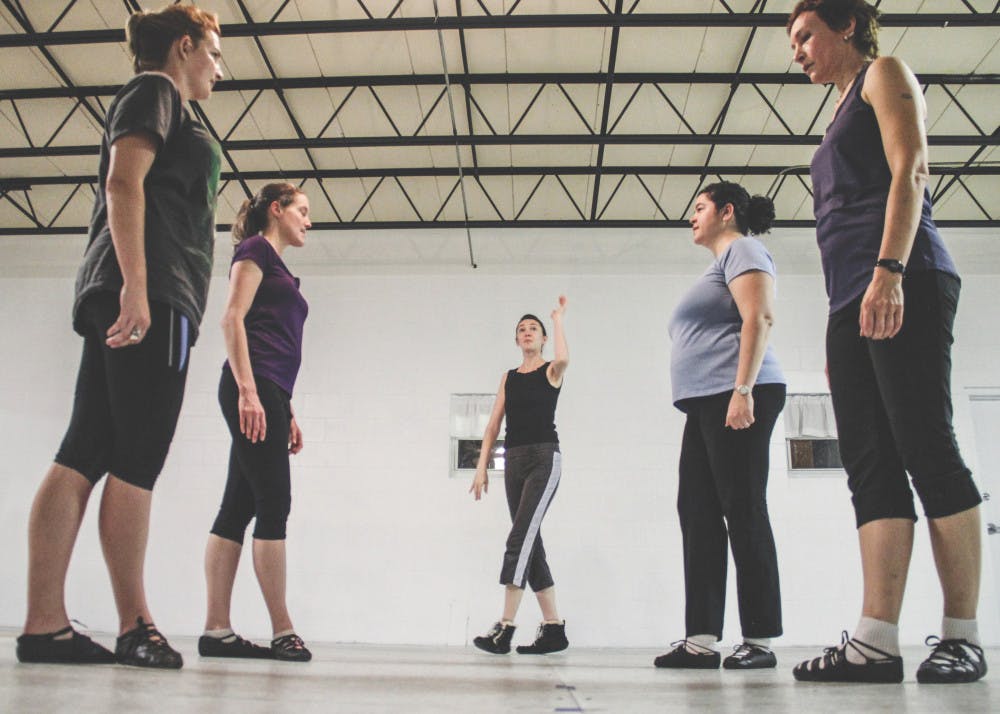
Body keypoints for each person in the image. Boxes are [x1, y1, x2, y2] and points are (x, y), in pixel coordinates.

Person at [15, 4, 223, 669]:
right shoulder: (157, 91)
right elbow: (122, 181)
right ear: (185, 47)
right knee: (138, 458)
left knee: (85, 450)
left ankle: (44, 626)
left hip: (139, 287)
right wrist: (137, 287)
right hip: (151, 292)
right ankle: (136, 624)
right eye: (214, 53)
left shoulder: (164, 100)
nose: (219, 67)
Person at [787, 0, 986, 684]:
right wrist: (842, 322)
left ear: (846, 26)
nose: (797, 50)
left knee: (926, 445)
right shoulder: (837, 111)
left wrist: (890, 272)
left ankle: (963, 634)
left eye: (805, 33)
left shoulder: (883, 73)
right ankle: (875, 641)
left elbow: (912, 168)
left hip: (906, 276)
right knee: (869, 466)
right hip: (853, 299)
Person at [654, 182, 786, 671]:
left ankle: (760, 638)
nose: (692, 216)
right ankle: (702, 638)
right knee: (697, 511)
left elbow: (760, 316)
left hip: (738, 395)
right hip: (706, 402)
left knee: (743, 507)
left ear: (727, 212)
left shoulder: (745, 249)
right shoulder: (717, 266)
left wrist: (743, 391)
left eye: (700, 207)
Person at [200, 183, 313, 662]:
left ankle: (217, 631)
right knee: (274, 502)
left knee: (237, 504)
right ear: (277, 209)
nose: (309, 220)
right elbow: (231, 319)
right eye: (302, 211)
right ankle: (282, 629)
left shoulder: (277, 263)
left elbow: (274, 338)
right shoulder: (255, 249)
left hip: (269, 391)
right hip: (253, 387)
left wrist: (284, 406)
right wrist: (250, 391)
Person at [469, 298, 570, 655]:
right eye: (522, 330)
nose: (527, 333)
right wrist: (482, 466)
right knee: (531, 542)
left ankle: (505, 627)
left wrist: (557, 320)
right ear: (516, 340)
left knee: (518, 539)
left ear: (542, 339)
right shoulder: (509, 377)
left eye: (533, 329)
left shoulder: (551, 371)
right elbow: (494, 423)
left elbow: (565, 358)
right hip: (513, 459)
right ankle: (554, 629)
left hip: (544, 458)